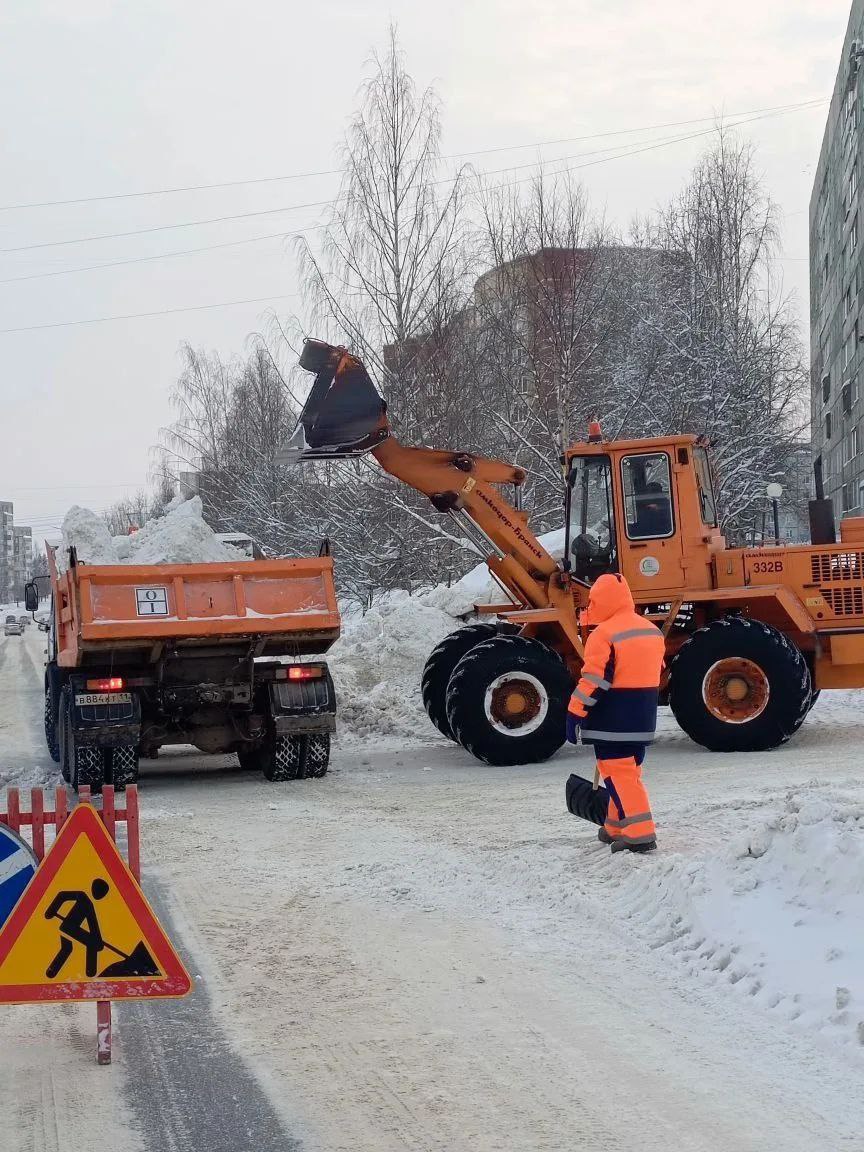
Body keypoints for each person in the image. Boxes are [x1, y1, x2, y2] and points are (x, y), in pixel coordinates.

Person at [564, 573, 665, 853]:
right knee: (627, 772)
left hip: (613, 721)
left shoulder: (604, 634)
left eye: (593, 601)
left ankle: (641, 833)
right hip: (642, 719)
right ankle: (616, 825)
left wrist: (575, 713)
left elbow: (595, 681)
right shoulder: (651, 631)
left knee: (619, 774)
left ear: (602, 601)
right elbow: (656, 671)